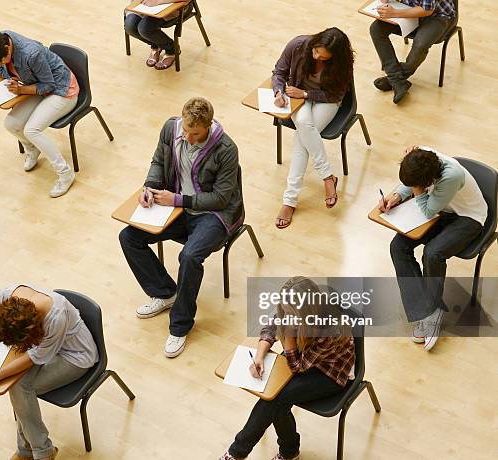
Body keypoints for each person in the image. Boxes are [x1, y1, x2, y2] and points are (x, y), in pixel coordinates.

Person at [119, 97, 242, 358]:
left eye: (194, 133)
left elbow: (221, 198)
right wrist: (149, 187)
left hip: (214, 214)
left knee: (189, 256)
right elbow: (157, 162)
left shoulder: (227, 149)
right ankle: (165, 292)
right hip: (178, 208)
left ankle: (180, 325)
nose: (187, 136)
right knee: (128, 236)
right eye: (185, 130)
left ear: (208, 127)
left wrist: (178, 200)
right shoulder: (171, 128)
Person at [219, 277, 355, 460]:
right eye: (284, 309)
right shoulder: (290, 310)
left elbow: (298, 367)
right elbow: (269, 329)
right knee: (275, 401)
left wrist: (289, 335)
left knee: (275, 400)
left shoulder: (331, 329)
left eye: (291, 311)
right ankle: (287, 452)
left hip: (330, 372)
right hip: (301, 355)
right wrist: (259, 357)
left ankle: (238, 453)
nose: (286, 314)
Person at [0, 285, 98, 460]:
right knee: (19, 390)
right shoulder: (7, 294)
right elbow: (1, 326)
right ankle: (37, 451)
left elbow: (32, 357)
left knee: (20, 390)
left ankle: (34, 452)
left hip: (76, 356)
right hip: (45, 349)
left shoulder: (56, 317)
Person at [381, 146, 487, 351]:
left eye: (418, 186)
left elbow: (428, 210)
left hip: (468, 217)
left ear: (427, 181)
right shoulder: (421, 156)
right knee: (398, 246)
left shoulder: (451, 175)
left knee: (433, 253)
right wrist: (396, 197)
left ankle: (433, 310)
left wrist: (418, 193)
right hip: (444, 210)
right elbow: (411, 186)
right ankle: (428, 311)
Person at [0, 30, 80, 198]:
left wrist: (22, 89)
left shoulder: (31, 54)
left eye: (1, 61)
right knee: (11, 124)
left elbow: (49, 85)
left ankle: (65, 173)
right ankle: (32, 149)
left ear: (7, 48)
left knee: (32, 130)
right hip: (35, 86)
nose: (0, 64)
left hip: (61, 90)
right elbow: (1, 70)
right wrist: (12, 79)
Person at [271, 28, 354, 229]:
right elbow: (279, 72)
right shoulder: (298, 45)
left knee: (302, 136)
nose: (316, 56)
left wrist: (306, 94)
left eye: (323, 57)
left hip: (326, 99)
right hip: (297, 95)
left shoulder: (343, 63)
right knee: (305, 128)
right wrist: (278, 92)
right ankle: (327, 176)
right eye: (316, 51)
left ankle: (289, 200)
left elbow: (335, 95)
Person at [370, 0, 457, 104]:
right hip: (407, 8)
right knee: (376, 29)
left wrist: (394, 13)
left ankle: (395, 78)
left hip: (437, 16)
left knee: (421, 44)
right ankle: (396, 79)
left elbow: (427, 10)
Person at [124, 0, 191, 70]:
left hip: (173, 4)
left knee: (145, 29)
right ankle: (157, 45)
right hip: (143, 3)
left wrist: (158, 1)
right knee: (130, 27)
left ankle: (172, 49)